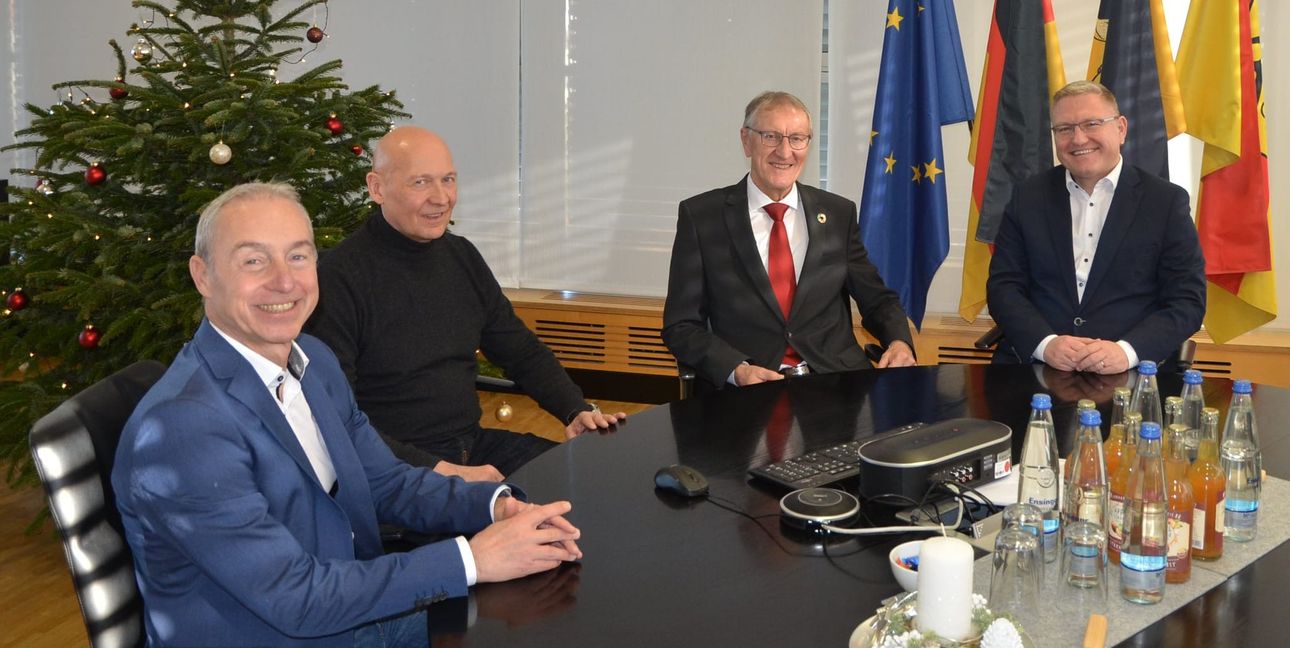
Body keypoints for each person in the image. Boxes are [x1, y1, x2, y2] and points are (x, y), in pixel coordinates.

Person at [113, 183, 583, 647]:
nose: (284, 281)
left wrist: (493, 506)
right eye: (254, 261)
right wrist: (472, 560)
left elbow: (383, 480)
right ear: (203, 276)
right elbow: (296, 599)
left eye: (298, 256)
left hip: (351, 610)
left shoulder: (312, 360)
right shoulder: (185, 427)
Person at [306, 127, 624, 482]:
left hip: (472, 445)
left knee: (593, 479)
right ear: (377, 188)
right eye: (421, 182)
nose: (441, 198)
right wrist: (441, 473)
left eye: (448, 180)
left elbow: (521, 351)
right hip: (397, 468)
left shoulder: (462, 257)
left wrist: (574, 410)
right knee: (533, 510)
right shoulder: (338, 279)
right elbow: (338, 417)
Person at [662, 91, 916, 390]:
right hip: (748, 389)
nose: (785, 152)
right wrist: (736, 370)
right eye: (770, 137)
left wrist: (899, 342)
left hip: (834, 384)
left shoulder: (837, 213)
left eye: (797, 138)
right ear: (746, 140)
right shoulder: (702, 217)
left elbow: (878, 300)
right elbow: (681, 326)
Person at [986, 80, 1206, 374]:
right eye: (1064, 129)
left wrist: (1126, 352)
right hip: (1036, 369)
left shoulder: (1165, 202)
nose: (1078, 139)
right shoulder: (1027, 197)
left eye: (1091, 124)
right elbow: (1004, 288)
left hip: (1129, 374)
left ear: (1121, 128)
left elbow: (1187, 301)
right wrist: (1045, 344)